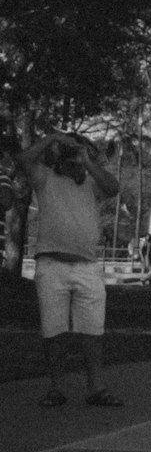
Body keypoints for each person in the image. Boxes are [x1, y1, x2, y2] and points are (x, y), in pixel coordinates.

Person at [13, 131, 123, 408]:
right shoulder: (46, 178)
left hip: (87, 267)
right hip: (52, 266)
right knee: (54, 329)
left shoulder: (91, 182)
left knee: (93, 330)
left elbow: (113, 188)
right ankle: (56, 388)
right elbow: (24, 159)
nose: (74, 158)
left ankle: (96, 387)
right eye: (70, 153)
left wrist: (88, 162)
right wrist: (53, 137)